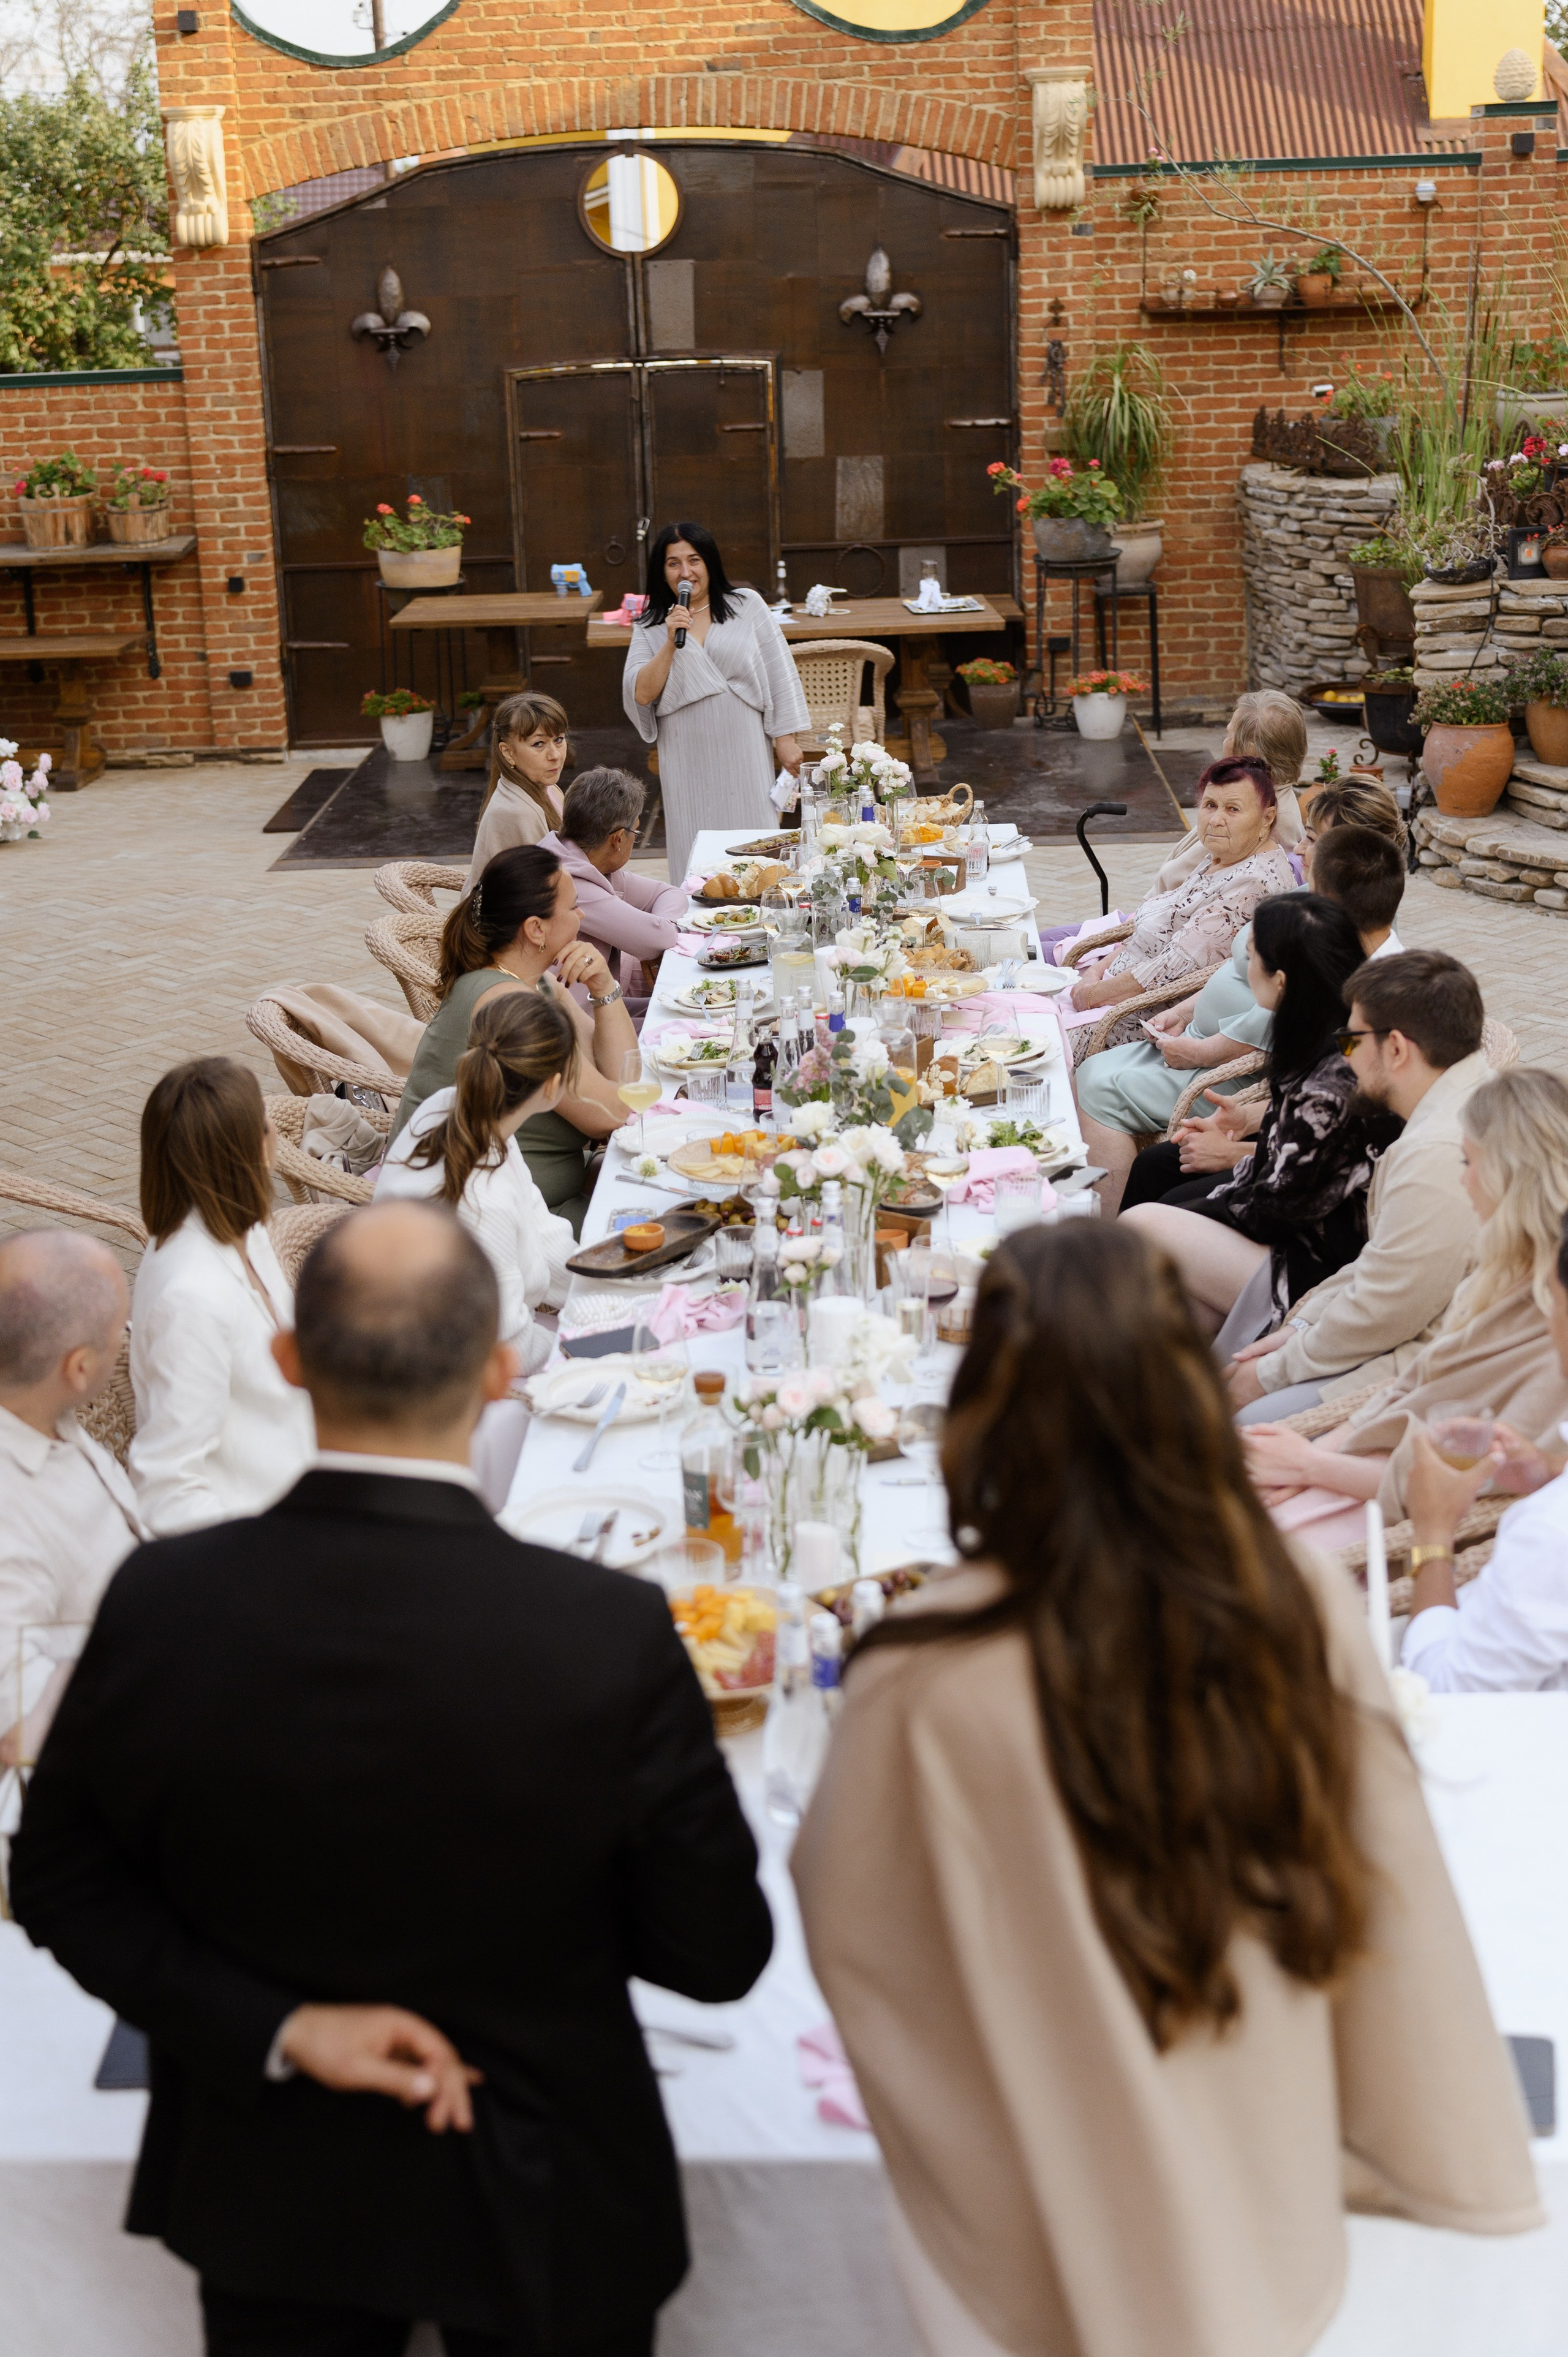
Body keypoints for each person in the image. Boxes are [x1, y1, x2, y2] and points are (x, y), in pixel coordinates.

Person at [10, 1199, 774, 2357]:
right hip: (549, 2179)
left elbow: (60, 1882)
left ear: (288, 1362)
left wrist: (279, 2025)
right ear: (502, 1370)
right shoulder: (605, 1630)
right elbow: (717, 1951)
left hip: (276, 2189)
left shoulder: (167, 1604)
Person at [792, 1223, 1540, 2357]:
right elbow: (1382, 1857)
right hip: (1256, 2091)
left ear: (990, 1403)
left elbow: (853, 1925)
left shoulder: (927, 1660)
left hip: (1043, 2140)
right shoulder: (1278, 1588)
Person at [1243, 1068, 1568, 1544]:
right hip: (1367, 1465)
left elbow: (1473, 1482)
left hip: (1407, 1518)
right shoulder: (1503, 1269)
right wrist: (1313, 1456)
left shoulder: (1552, 1322)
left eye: (1468, 1162)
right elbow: (1413, 1384)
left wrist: (1313, 1464)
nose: (1463, 1181)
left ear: (1506, 1178)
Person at [1085, 810, 1406, 1213]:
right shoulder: (1333, 972)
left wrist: (1232, 1155)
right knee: (1154, 1165)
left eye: (1254, 958)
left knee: (1160, 1208)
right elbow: (1304, 1097)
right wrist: (1248, 1117)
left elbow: (1340, 1144)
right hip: (1281, 1132)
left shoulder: (1363, 1014)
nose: (1299, 852)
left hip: (1306, 1196)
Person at [1230, 950, 1490, 1419]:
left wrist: (1272, 1372)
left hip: (1432, 1368)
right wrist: (1302, 1325)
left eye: (1350, 1041)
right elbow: (1385, 1261)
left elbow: (1386, 1311)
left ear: (1395, 1049)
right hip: (1408, 1331)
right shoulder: (1458, 1098)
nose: (1342, 1056)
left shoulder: (1438, 1152)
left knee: (1242, 1421)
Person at [1121, 896, 1392, 1338]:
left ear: (1281, 982)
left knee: (1146, 1224)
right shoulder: (1327, 1033)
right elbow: (1297, 1149)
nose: (1246, 969)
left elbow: (1282, 1205)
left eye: (1252, 959)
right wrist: (1247, 1130)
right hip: (1299, 1211)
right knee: (1159, 1178)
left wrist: (1219, 1181)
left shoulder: (1338, 1074)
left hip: (1316, 1260)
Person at [391, 845, 638, 1235]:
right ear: (536, 929)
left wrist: (604, 986)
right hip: (495, 1225)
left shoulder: (529, 980)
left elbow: (625, 1073)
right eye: (573, 909)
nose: (582, 916)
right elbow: (612, 1115)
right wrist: (621, 1091)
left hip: (524, 1198)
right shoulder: (509, 1004)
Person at [129, 1058, 314, 1535]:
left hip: (312, 1500)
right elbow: (167, 1489)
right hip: (259, 1545)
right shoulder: (191, 1298)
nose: (274, 1127)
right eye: (263, 1119)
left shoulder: (245, 1232)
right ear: (249, 1151)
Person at [1395, 1218, 1568, 1691]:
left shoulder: (1551, 1534)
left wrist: (1432, 1536)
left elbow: (1447, 1693)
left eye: (1554, 1299)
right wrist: (1547, 1472)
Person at [0, 1230, 146, 1767]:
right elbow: (19, 1735)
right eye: (119, 1334)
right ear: (80, 1368)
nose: (126, 1339)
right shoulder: (10, 1521)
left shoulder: (44, 1416)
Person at [377, 990, 578, 1377]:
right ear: (552, 1087)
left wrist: (609, 1291)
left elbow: (544, 1232)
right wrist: (590, 1347)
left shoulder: (457, 1107)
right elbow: (509, 1349)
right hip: (446, 1387)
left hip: (453, 1346)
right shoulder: (484, 1204)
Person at [624, 521, 809, 881]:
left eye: (694, 560)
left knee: (756, 843)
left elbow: (778, 670)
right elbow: (642, 693)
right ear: (662, 572)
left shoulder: (747, 605)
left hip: (744, 742)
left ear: (709, 563)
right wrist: (669, 640)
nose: (685, 572)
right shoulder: (650, 624)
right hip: (685, 751)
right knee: (696, 850)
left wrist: (786, 739)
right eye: (673, 563)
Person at [1065, 758, 1295, 1046]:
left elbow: (1169, 971)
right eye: (1210, 805)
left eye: (1233, 809)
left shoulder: (1253, 883)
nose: (1215, 820)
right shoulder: (1223, 855)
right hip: (1110, 990)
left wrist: (1092, 993)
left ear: (1267, 817)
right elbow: (1153, 931)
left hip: (1142, 1017)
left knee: (1027, 1039)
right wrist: (1096, 972)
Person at [541, 766, 688, 1005]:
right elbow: (657, 938)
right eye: (636, 832)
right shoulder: (568, 881)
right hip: (572, 1020)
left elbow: (669, 893)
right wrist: (656, 939)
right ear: (618, 839)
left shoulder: (579, 857)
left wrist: (660, 935)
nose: (635, 838)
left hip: (598, 997)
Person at [465, 691, 569, 889]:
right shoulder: (518, 812)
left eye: (559, 740)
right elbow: (548, 888)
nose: (555, 755)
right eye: (538, 744)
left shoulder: (550, 790)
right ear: (508, 753)